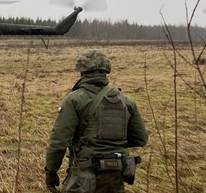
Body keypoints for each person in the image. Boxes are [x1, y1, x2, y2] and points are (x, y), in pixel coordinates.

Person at [44, 50, 148, 193]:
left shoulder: (73, 100)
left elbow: (59, 142)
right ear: (106, 71)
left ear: (82, 72)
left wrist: (50, 172)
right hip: (116, 174)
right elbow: (141, 138)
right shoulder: (126, 101)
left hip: (85, 175)